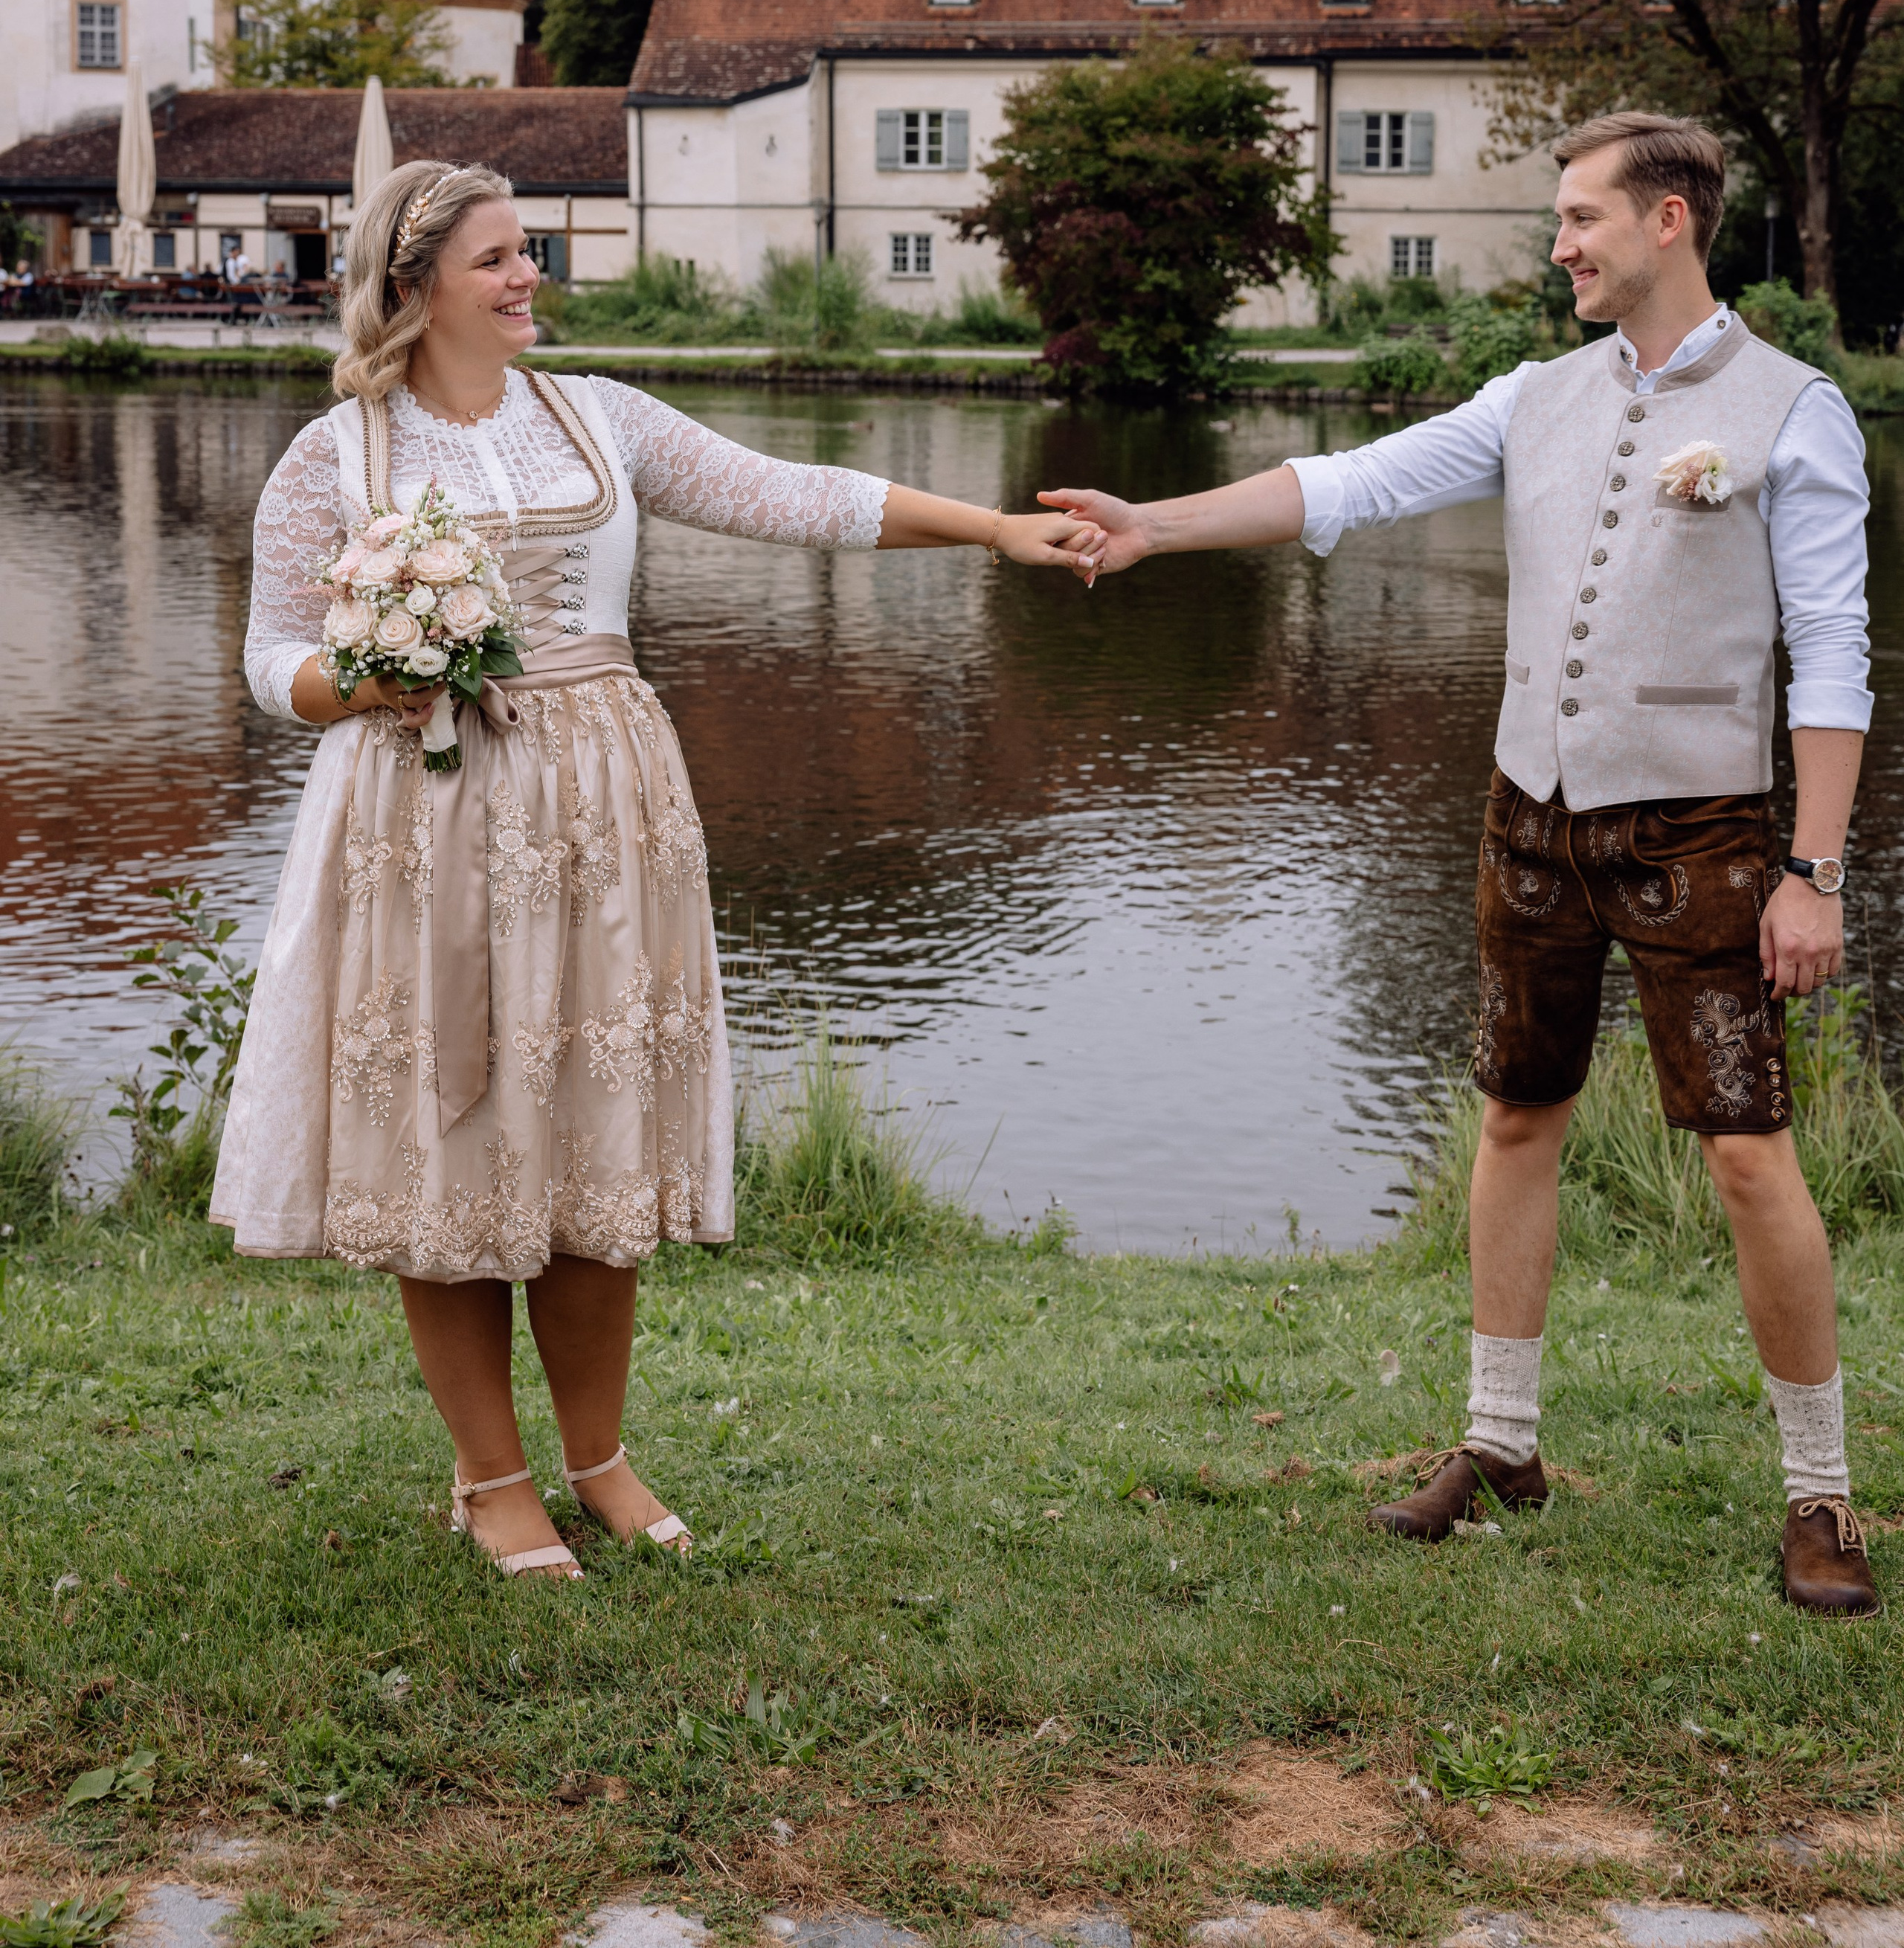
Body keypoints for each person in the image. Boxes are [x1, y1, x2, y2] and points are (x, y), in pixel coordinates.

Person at [213, 160, 1101, 1581]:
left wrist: (993, 530)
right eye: (497, 258)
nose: (528, 277)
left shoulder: (600, 417)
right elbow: (270, 660)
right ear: (413, 283)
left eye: (530, 251)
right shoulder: (334, 457)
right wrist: (366, 678)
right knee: (450, 1137)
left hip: (608, 810)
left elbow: (793, 495)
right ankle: (491, 1479)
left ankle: (600, 1459)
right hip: (423, 817)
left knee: (593, 1126)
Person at [1044, 112, 1879, 1615]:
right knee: (1513, 1115)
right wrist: (1153, 525)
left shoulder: (1795, 410)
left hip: (1701, 830)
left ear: (1668, 221)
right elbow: (1348, 482)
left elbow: (1830, 650)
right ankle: (1500, 1445)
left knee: (1749, 1150)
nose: (1559, 245)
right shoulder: (1531, 395)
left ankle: (1820, 1491)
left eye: (1580, 217)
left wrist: (1812, 872)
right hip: (1529, 815)